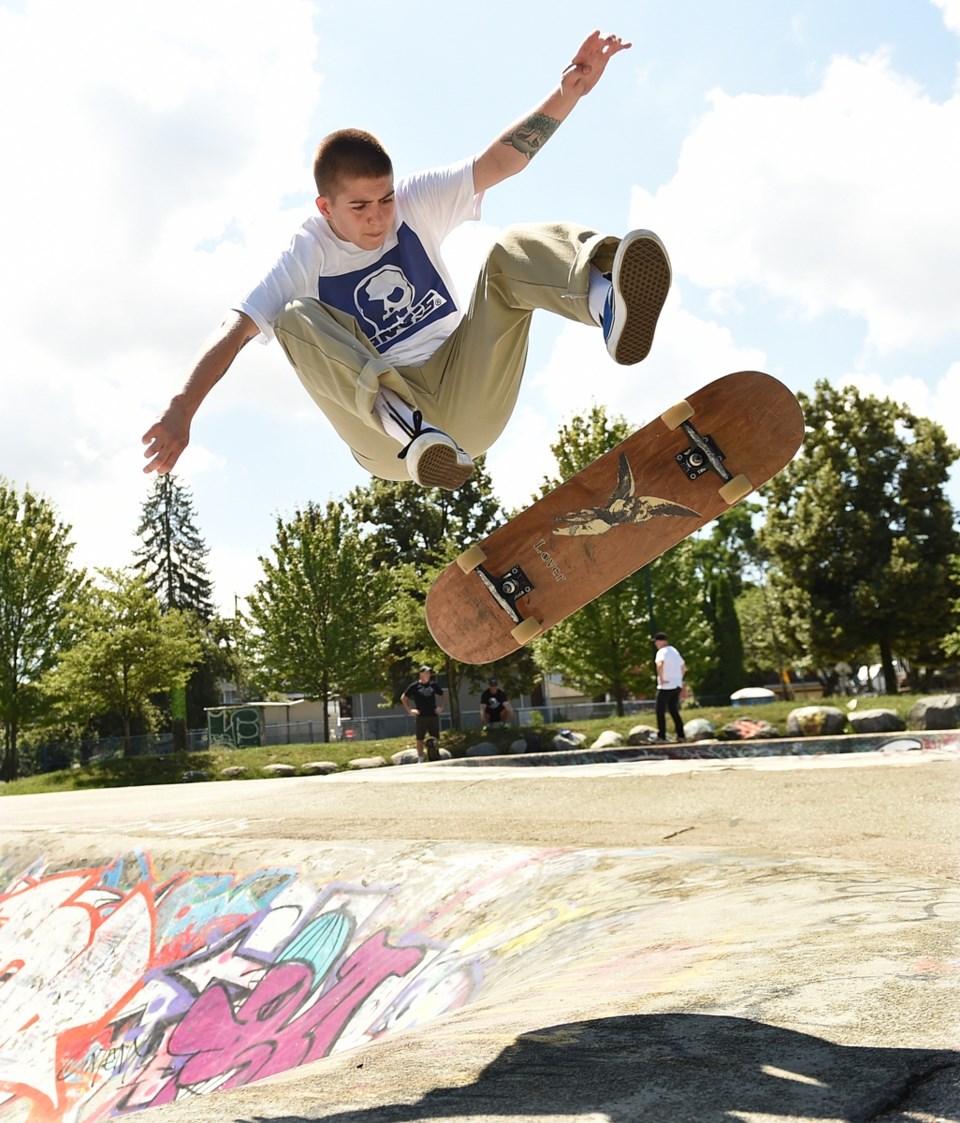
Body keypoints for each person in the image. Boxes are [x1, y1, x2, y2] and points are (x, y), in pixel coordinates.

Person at [141, 31, 671, 492]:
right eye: (360, 207)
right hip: (386, 440)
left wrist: (566, 94)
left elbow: (499, 162)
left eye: (385, 199)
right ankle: (412, 429)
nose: (378, 218)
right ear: (325, 207)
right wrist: (182, 408)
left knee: (507, 250)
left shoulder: (415, 201)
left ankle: (607, 299)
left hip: (467, 390)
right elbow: (235, 327)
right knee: (293, 318)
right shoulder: (303, 254)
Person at [402, 665, 444, 761]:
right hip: (421, 716)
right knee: (420, 738)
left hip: (433, 715)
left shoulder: (433, 685)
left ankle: (435, 755)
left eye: (429, 673)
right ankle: (420, 758)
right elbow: (404, 697)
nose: (428, 674)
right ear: (421, 674)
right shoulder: (415, 686)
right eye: (426, 672)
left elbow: (442, 694)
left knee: (435, 737)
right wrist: (410, 710)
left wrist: (441, 707)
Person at [654, 632, 686, 742]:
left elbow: (660, 664)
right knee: (673, 710)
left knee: (660, 711)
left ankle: (661, 736)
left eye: (656, 642)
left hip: (665, 686)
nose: (656, 644)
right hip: (677, 685)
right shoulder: (674, 650)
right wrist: (679, 679)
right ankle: (681, 735)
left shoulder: (661, 652)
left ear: (660, 641)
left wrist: (662, 678)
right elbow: (683, 666)